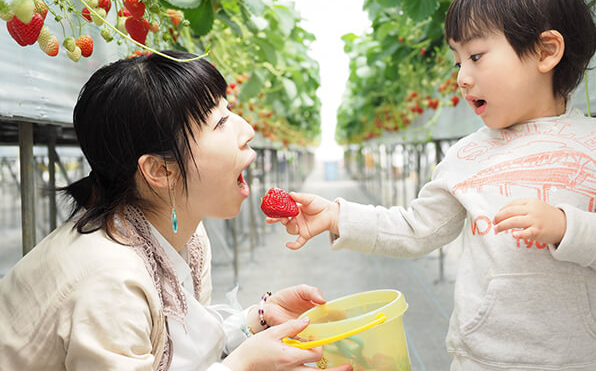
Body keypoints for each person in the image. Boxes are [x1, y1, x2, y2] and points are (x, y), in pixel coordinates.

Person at [268, 0, 596, 370]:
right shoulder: (467, 156)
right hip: (481, 358)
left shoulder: (590, 146)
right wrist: (338, 216)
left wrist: (569, 227)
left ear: (547, 51)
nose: (461, 76)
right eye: (458, 61)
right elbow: (416, 228)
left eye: (476, 55)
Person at [0, 50, 352, 371]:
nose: (247, 130)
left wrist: (255, 320)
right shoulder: (108, 282)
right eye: (220, 123)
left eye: (228, 112)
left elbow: (175, 346)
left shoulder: (186, 235)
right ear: (160, 170)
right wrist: (241, 367)